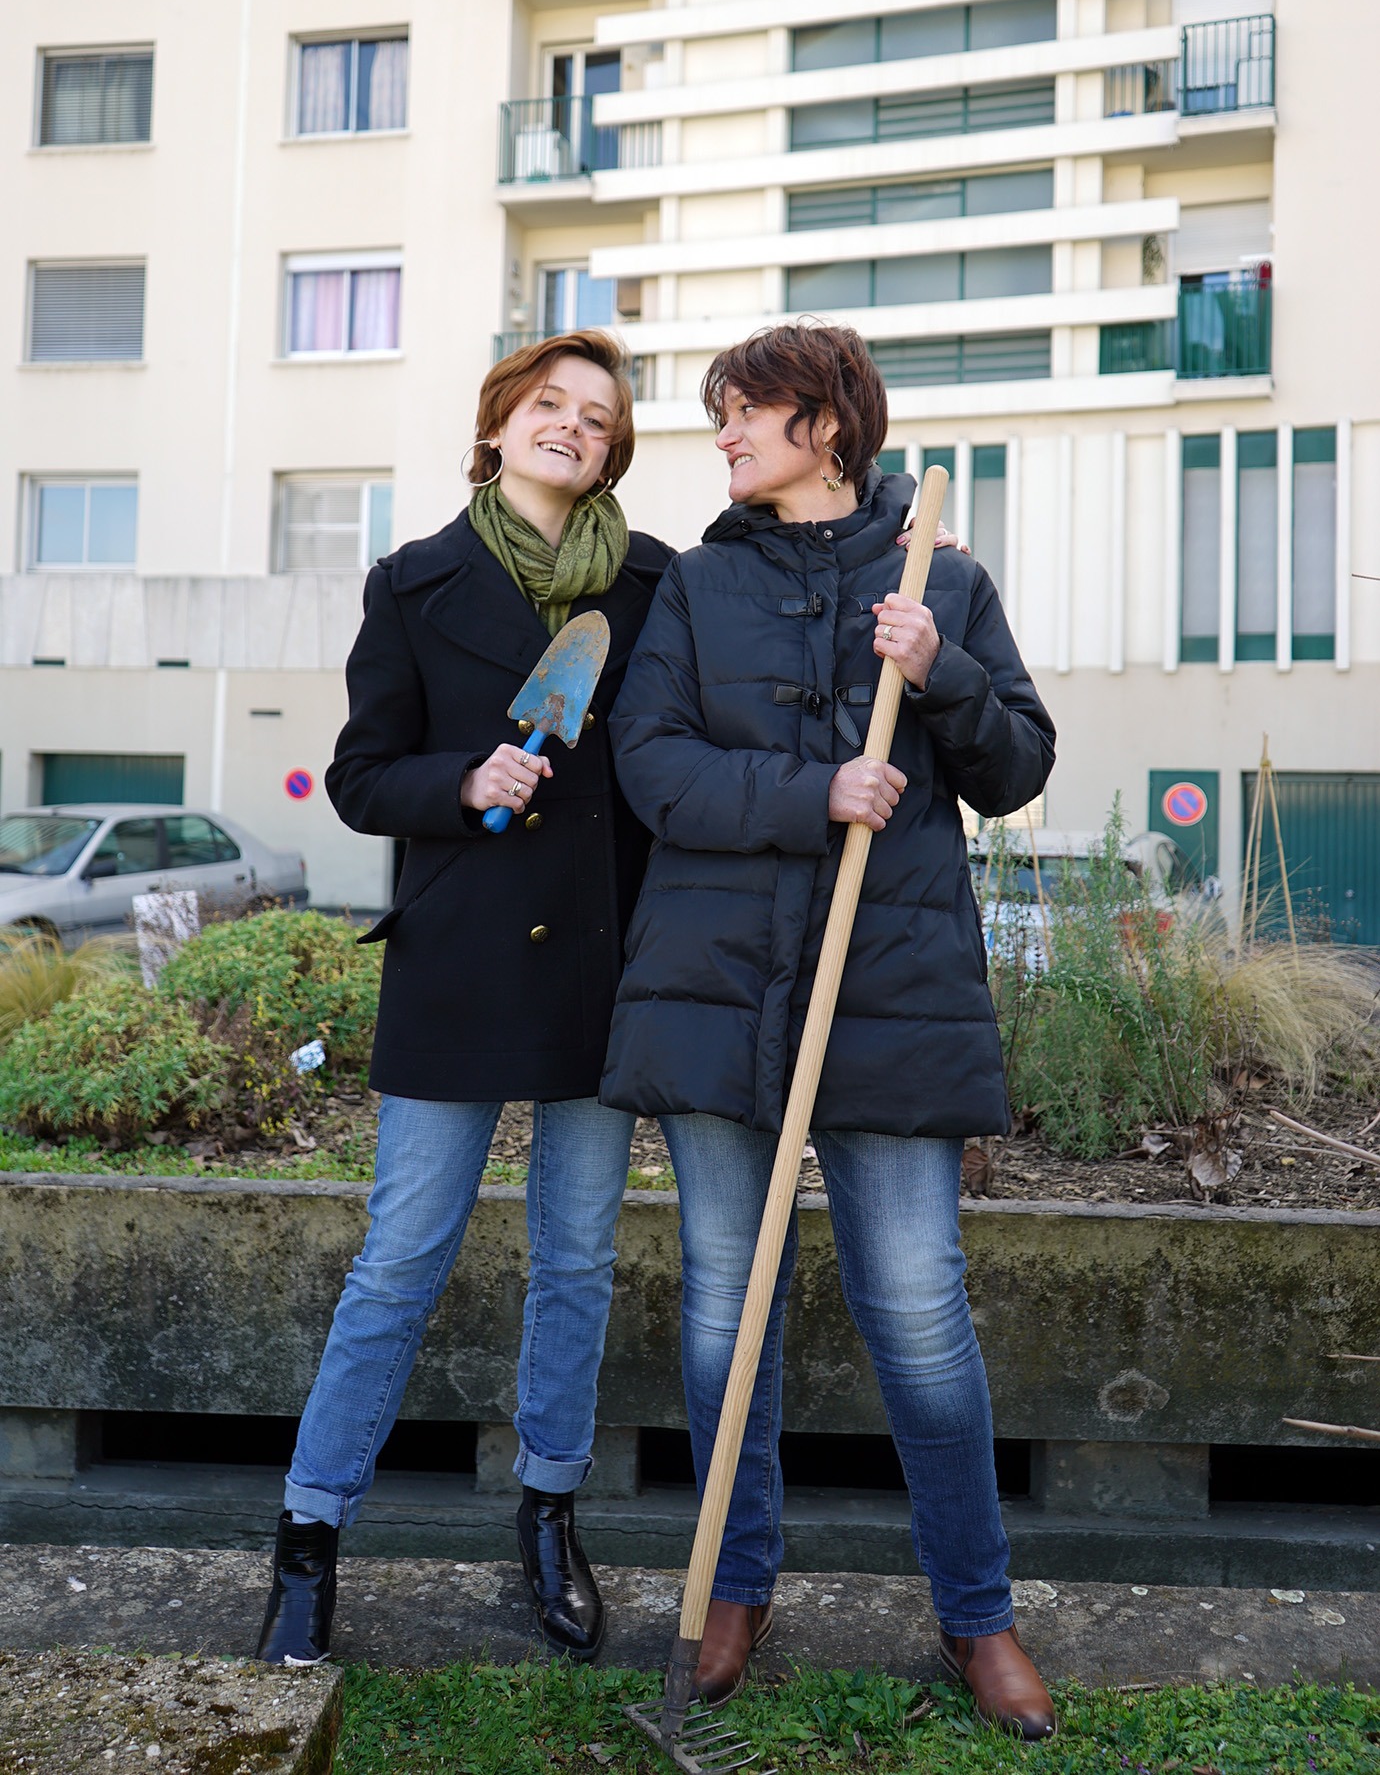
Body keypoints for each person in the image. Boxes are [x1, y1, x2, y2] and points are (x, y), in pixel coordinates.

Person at [600, 322, 1060, 1739]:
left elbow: (1020, 764)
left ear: (827, 424)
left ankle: (977, 1618)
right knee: (724, 1307)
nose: (724, 437)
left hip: (890, 994)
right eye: (721, 416)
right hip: (718, 992)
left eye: (745, 414)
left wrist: (942, 676)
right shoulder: (694, 585)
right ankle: (732, 1586)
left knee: (920, 1313)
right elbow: (652, 764)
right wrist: (815, 797)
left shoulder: (945, 580)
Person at [254, 331, 673, 1667]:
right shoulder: (415, 580)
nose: (573, 426)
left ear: (614, 448)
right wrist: (464, 784)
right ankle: (310, 1540)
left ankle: (549, 1511)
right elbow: (361, 776)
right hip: (459, 959)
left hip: (605, 971)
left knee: (579, 1259)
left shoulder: (659, 585)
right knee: (399, 1262)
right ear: (497, 426)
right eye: (548, 405)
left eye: (597, 416)